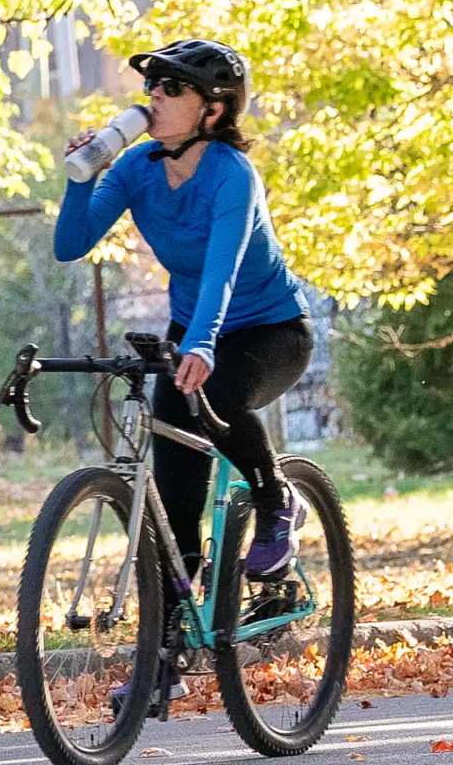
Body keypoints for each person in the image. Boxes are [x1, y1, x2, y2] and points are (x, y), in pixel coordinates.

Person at [54, 38, 312, 598]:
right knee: (175, 487)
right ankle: (171, 630)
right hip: (195, 328)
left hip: (272, 330)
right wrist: (80, 180)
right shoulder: (136, 167)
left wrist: (201, 344)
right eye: (151, 85)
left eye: (172, 88)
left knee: (218, 396)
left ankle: (277, 501)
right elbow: (70, 245)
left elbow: (222, 269)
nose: (153, 96)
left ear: (212, 110)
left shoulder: (232, 175)